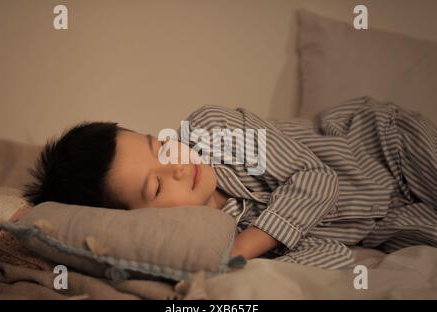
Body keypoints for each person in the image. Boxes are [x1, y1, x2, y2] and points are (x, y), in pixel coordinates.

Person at [23, 96, 437, 269]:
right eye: (157, 187)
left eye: (160, 146)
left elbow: (317, 179)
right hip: (383, 221)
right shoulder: (213, 240)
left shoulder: (213, 131)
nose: (180, 166)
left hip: (381, 148)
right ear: (141, 221)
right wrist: (242, 266)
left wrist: (244, 249)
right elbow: (338, 257)